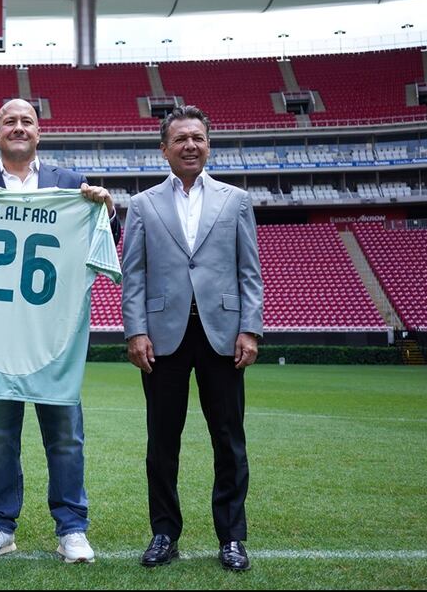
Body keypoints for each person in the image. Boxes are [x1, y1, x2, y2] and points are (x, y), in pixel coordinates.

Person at [0, 98, 119, 563]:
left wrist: (106, 211)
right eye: (9, 122)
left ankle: (72, 527)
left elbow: (101, 244)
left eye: (26, 121)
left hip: (51, 334)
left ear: (39, 132)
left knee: (65, 435)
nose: (18, 127)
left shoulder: (73, 186)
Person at [121, 105, 263, 571]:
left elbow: (249, 273)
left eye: (198, 137)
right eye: (180, 138)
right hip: (163, 338)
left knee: (229, 439)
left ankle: (232, 537)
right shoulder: (142, 205)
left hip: (222, 334)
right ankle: (164, 533)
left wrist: (250, 328)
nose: (190, 145)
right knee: (162, 441)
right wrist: (136, 330)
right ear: (164, 148)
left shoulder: (236, 200)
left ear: (209, 144)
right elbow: (134, 276)